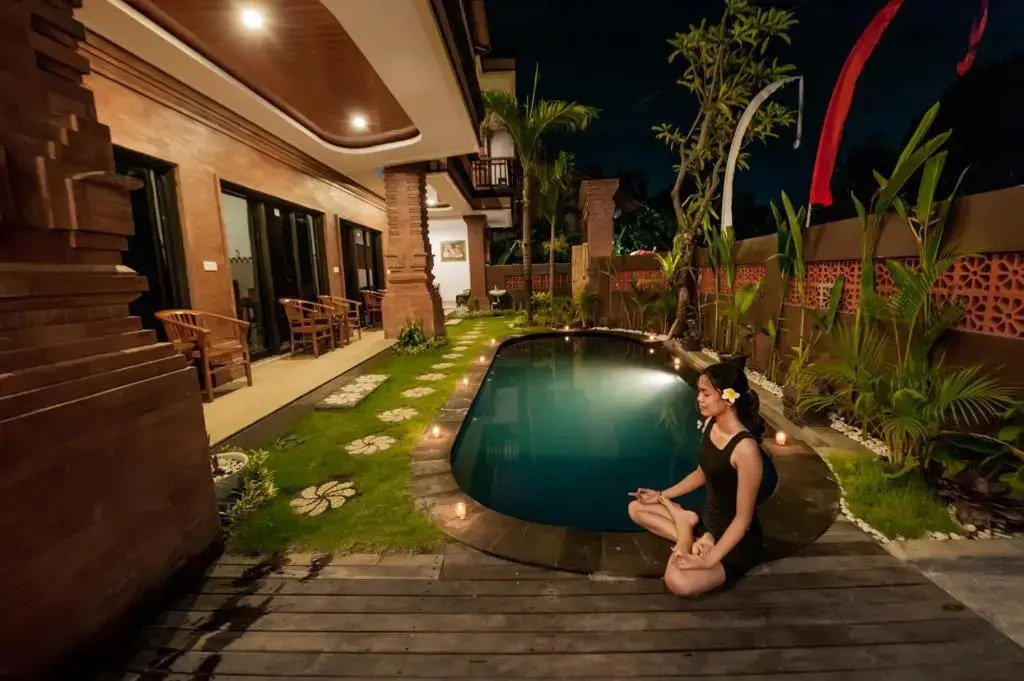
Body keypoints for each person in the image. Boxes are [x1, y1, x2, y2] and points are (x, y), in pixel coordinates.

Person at [627, 362, 765, 596]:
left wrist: (708, 559)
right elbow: (701, 473)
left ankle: (685, 529)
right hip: (707, 523)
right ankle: (692, 531)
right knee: (636, 508)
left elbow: (743, 520)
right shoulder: (711, 425)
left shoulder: (745, 449)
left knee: (679, 582)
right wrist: (660, 496)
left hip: (734, 542)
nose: (699, 399)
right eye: (699, 392)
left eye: (706, 393)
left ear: (728, 398)